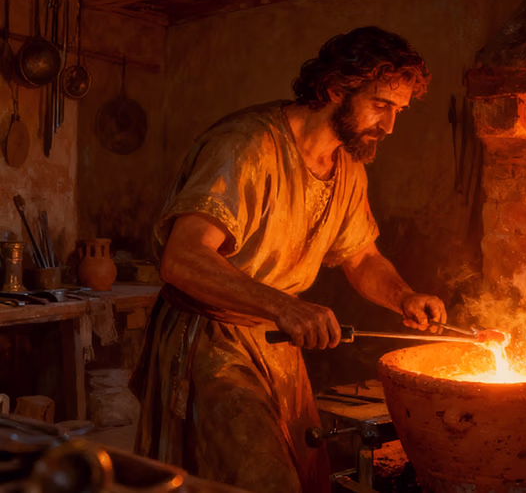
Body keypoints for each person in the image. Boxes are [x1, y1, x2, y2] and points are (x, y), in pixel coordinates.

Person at [129, 26, 447, 493]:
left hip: (277, 346)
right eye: (381, 105)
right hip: (211, 344)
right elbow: (182, 259)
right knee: (261, 480)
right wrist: (285, 306)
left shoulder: (348, 166)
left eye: (398, 110)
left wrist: (404, 296)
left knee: (307, 478)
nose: (389, 125)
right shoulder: (246, 147)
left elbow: (360, 255)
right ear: (338, 89)